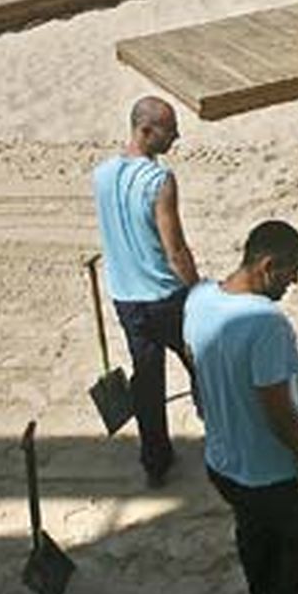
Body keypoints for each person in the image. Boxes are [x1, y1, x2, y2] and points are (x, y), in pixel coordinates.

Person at [185, 220, 298, 594]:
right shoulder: (266, 323)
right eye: (293, 270)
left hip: (222, 463)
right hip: (267, 472)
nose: (295, 281)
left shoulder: (198, 299)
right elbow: (279, 413)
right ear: (269, 266)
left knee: (254, 536)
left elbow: (198, 374)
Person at [92, 96, 200, 487]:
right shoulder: (160, 181)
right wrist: (198, 290)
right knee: (198, 361)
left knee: (147, 378)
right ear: (146, 131)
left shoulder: (101, 175)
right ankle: (220, 431)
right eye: (170, 130)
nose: (176, 137)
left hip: (125, 298)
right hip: (165, 297)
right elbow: (175, 250)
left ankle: (155, 461)